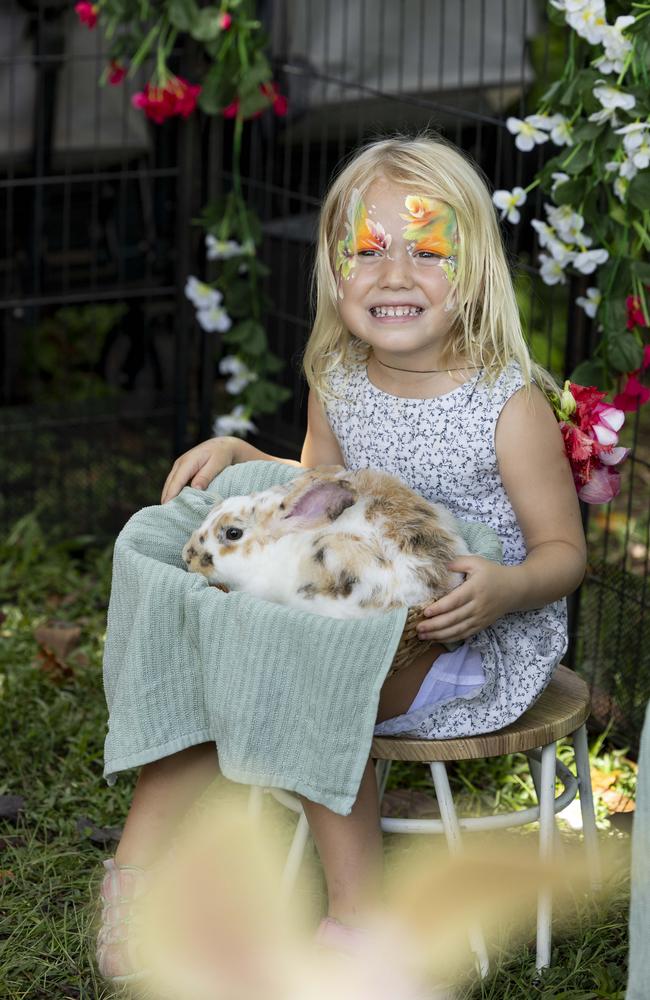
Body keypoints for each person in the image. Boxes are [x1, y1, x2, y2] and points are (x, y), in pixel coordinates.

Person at [96, 133, 587, 989]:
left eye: (429, 250)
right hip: (353, 613)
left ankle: (355, 921)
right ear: (333, 269)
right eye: (366, 250)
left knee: (308, 672)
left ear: (473, 273)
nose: (394, 273)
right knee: (252, 653)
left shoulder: (508, 405)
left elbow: (564, 554)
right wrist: (243, 450)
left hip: (463, 637)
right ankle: (133, 880)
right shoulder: (340, 378)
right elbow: (322, 489)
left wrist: (506, 588)